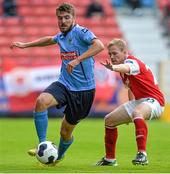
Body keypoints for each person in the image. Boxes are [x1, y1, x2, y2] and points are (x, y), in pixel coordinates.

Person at [10, 3, 104, 163]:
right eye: (60, 18)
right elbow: (50, 39)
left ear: (73, 18)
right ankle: (42, 144)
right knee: (41, 101)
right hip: (64, 84)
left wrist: (77, 60)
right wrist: (26, 45)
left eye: (67, 17)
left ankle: (59, 155)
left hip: (84, 91)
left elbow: (99, 45)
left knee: (65, 132)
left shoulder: (81, 32)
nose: (63, 21)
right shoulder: (61, 36)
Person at [96, 38, 165, 166]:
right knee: (109, 120)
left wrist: (114, 68)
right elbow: (130, 88)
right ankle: (110, 159)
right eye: (110, 54)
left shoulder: (132, 62)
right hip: (139, 101)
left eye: (115, 53)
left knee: (137, 112)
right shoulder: (123, 72)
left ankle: (142, 154)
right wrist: (129, 108)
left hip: (155, 100)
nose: (112, 56)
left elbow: (126, 67)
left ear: (124, 52)